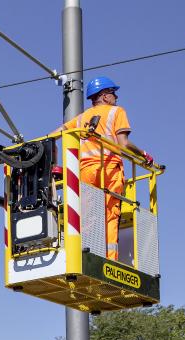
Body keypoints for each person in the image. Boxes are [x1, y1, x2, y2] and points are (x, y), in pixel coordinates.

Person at [58, 76, 156, 262]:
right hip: (109, 169)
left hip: (86, 170)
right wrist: (143, 154)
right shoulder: (116, 112)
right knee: (111, 213)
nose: (116, 97)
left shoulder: (81, 118)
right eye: (113, 93)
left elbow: (59, 131)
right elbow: (123, 144)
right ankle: (110, 259)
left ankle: (86, 254)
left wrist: (39, 143)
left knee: (87, 213)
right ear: (104, 96)